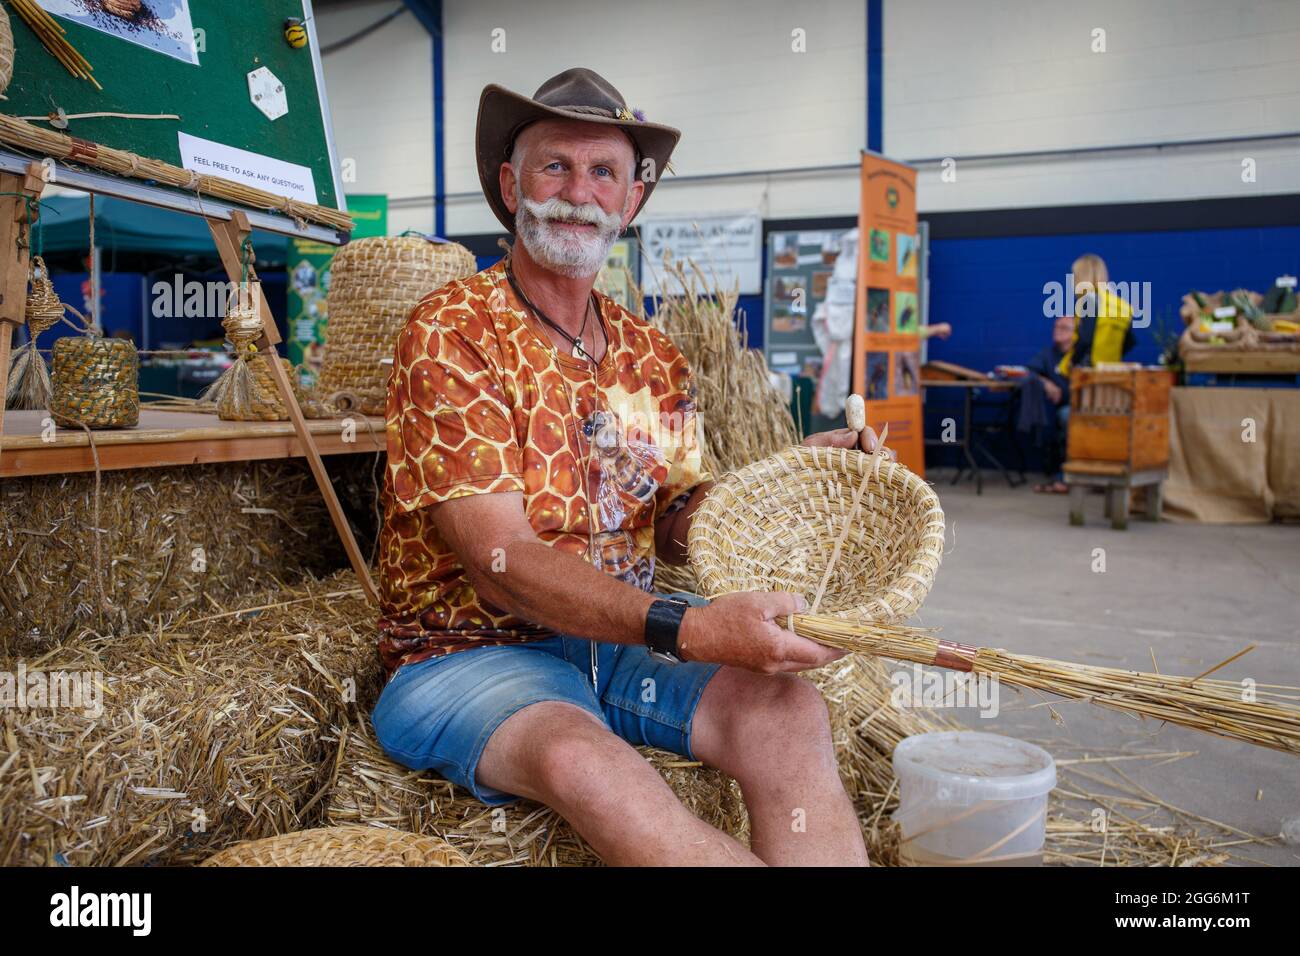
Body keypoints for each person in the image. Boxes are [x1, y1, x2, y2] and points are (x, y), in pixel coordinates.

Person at [373, 68, 881, 866]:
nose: (580, 192)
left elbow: (674, 519)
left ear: (632, 201)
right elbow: (499, 562)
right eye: (555, 166)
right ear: (511, 186)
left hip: (616, 648)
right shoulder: (453, 332)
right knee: (585, 761)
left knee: (790, 715)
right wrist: (690, 626)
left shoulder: (650, 355)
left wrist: (785, 484)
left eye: (605, 171)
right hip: (468, 656)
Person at [1030, 315, 1074, 493]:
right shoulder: (1049, 354)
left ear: (1075, 333)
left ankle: (1072, 478)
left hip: (1086, 407)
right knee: (1064, 415)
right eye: (1056, 327)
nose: (1058, 330)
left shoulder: (1083, 354)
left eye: (1064, 328)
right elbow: (1030, 372)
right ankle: (1063, 477)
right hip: (1062, 407)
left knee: (1069, 416)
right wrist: (1047, 383)